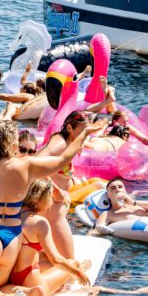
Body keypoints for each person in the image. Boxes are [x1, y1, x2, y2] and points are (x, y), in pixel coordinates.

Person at [0, 118, 106, 285]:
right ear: (12, 144)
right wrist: (85, 133)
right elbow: (63, 160)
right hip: (12, 238)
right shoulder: (26, 166)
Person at [38, 111, 109, 259]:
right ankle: (70, 273)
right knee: (68, 257)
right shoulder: (60, 143)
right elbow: (35, 164)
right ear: (69, 128)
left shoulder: (71, 141)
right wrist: (57, 189)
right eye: (82, 131)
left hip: (56, 204)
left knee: (53, 251)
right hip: (52, 204)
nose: (85, 135)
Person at [9, 179, 90, 296]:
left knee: (43, 255)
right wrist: (78, 273)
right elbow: (55, 259)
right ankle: (81, 268)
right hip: (32, 280)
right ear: (41, 199)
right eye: (49, 199)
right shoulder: (39, 222)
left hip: (12, 275)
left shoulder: (12, 214)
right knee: (73, 263)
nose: (50, 204)